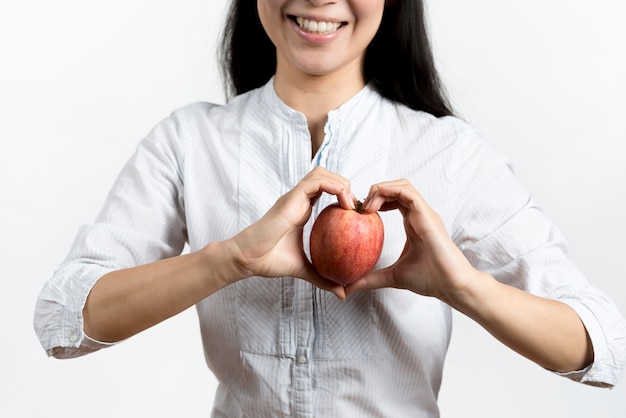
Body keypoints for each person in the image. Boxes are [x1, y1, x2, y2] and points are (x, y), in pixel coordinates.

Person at [34, 0, 626, 416]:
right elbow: (63, 318)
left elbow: (605, 347)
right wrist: (228, 260)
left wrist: (462, 286)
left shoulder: (448, 154)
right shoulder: (190, 143)